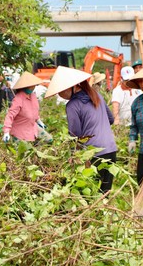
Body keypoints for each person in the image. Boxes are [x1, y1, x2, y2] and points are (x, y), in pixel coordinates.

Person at [45, 66, 117, 194]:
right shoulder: (97, 95)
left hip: (93, 153)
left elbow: (75, 135)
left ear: (69, 88)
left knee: (92, 193)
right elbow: (110, 119)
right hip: (111, 148)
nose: (60, 95)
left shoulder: (72, 105)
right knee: (106, 192)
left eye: (60, 92)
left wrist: (73, 156)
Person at [2, 72, 52, 143]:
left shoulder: (33, 96)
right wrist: (6, 131)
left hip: (32, 127)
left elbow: (34, 111)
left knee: (49, 139)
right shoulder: (18, 99)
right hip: (20, 131)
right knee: (25, 150)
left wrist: (39, 121)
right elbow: (10, 115)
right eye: (32, 85)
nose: (34, 87)